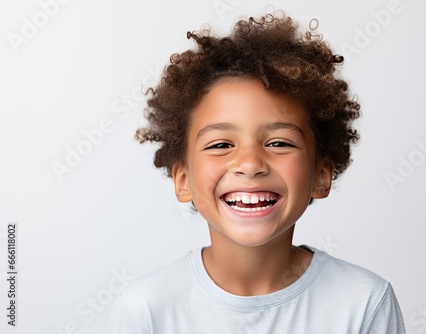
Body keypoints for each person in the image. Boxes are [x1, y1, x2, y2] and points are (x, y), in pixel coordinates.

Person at [107, 10, 406, 334]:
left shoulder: (364, 302)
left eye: (279, 143)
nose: (250, 164)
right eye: (221, 145)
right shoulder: (146, 309)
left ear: (320, 175)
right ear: (183, 181)